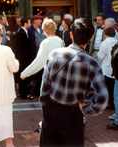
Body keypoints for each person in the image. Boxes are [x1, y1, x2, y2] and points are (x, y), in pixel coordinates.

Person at [40, 18, 108, 147]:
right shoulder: (91, 63)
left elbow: (44, 88)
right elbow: (102, 100)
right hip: (73, 114)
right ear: (91, 37)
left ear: (71, 34)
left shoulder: (54, 54)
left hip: (52, 111)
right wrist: (87, 109)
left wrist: (45, 109)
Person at [97, 27, 118, 110]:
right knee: (114, 88)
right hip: (116, 69)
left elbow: (100, 57)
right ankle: (114, 104)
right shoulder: (117, 41)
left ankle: (109, 103)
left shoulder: (104, 43)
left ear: (105, 34)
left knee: (107, 88)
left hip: (106, 69)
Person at [13, 17, 34, 99]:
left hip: (25, 59)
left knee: (25, 76)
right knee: (22, 76)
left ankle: (25, 93)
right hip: (22, 59)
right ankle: (23, 94)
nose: (30, 24)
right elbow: (19, 48)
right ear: (25, 24)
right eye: (29, 22)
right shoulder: (20, 33)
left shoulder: (25, 32)